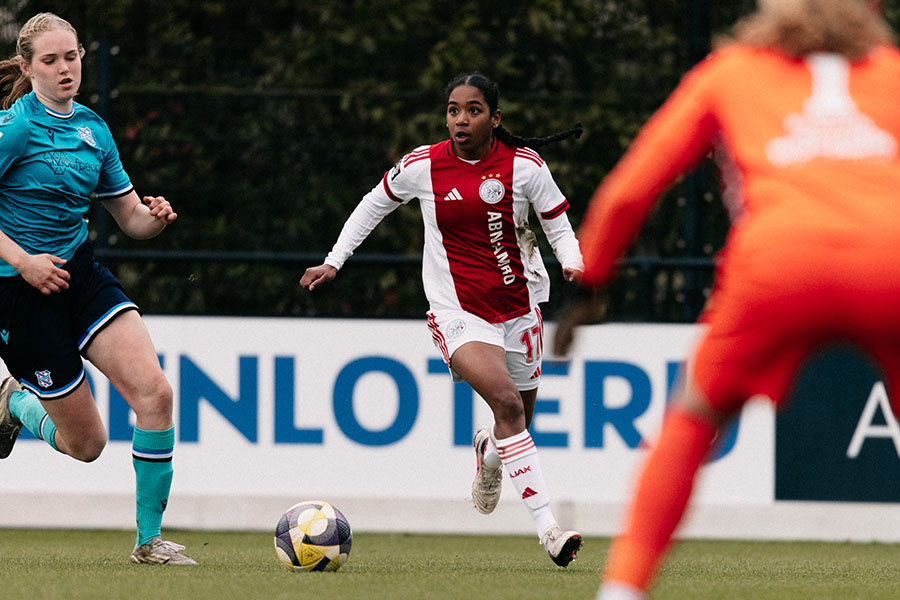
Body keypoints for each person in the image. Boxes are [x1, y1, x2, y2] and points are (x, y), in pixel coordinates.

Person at [552, 0, 900, 597]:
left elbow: (630, 190)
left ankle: (623, 590)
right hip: (890, 265)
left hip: (776, 266)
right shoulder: (891, 71)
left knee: (694, 415)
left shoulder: (731, 72)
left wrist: (589, 285)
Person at [301, 72, 585, 566]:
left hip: (520, 310)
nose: (461, 120)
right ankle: (550, 531)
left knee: (514, 420)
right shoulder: (424, 165)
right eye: (454, 110)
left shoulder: (525, 167)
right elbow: (373, 205)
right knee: (507, 404)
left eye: (474, 110)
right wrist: (334, 260)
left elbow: (557, 224)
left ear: (494, 118)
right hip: (458, 312)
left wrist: (572, 260)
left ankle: (489, 452)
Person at [0, 13, 196, 565]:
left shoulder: (93, 129)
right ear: (27, 68)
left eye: (72, 57)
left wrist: (155, 217)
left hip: (80, 276)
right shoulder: (15, 128)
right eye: (50, 60)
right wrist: (23, 261)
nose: (65, 68)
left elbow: (129, 218)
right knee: (87, 446)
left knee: (156, 394)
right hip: (19, 293)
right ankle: (15, 402)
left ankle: (149, 542)